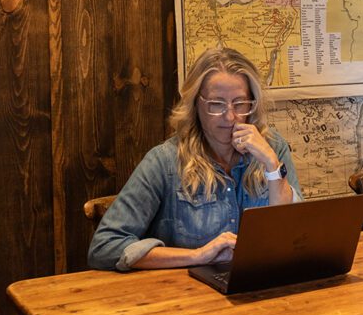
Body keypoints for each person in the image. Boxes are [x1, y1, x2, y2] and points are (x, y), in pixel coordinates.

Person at [88, 47, 303, 271]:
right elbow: (104, 247)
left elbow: (295, 235)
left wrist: (271, 165)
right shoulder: (165, 161)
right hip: (187, 296)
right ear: (196, 103)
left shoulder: (272, 148)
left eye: (240, 104)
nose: (230, 117)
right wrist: (198, 256)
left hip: (264, 289)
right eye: (216, 104)